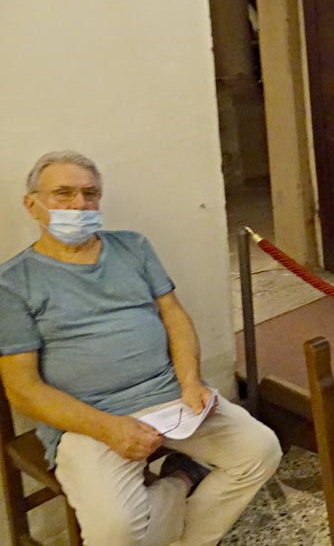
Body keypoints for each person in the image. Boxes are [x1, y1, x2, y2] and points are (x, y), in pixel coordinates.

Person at [0, 151, 282, 546]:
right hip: (88, 419)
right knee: (114, 533)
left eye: (89, 194)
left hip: (168, 396)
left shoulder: (132, 247)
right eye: (63, 194)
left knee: (261, 451)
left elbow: (174, 316)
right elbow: (22, 389)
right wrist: (108, 427)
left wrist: (191, 382)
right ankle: (180, 481)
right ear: (32, 204)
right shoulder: (12, 283)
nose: (79, 205)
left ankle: (189, 541)